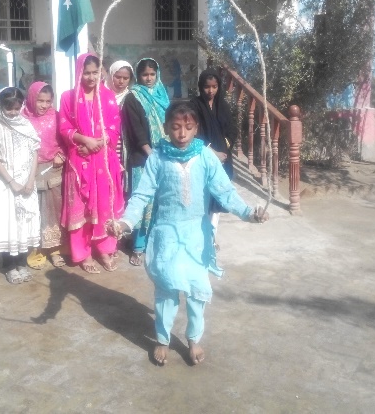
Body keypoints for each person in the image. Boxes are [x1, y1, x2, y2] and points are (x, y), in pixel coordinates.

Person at [108, 102, 268, 366]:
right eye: (176, 127)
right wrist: (124, 222)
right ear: (167, 128)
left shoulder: (205, 156)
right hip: (166, 233)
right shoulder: (158, 157)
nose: (182, 133)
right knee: (167, 287)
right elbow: (142, 194)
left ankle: (193, 339)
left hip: (196, 233)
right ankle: (162, 339)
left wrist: (250, 213)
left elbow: (225, 192)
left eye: (188, 127)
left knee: (197, 288)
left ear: (196, 129)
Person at [59, 53, 124, 274]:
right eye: (86, 72)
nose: (90, 77)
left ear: (101, 72)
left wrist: (99, 143)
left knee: (104, 205)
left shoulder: (107, 96)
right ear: (79, 72)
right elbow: (64, 127)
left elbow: (115, 126)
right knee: (82, 208)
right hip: (80, 160)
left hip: (104, 160)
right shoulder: (68, 97)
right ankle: (83, 253)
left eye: (95, 72)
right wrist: (84, 140)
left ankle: (104, 249)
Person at [0, 87, 41, 284]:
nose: (14, 113)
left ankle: (21, 262)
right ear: (1, 107)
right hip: (6, 184)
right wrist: (12, 182)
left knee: (24, 222)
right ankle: (9, 265)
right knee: (7, 222)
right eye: (10, 109)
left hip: (27, 183)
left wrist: (31, 179)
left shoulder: (26, 124)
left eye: (17, 108)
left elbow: (35, 153)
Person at [121, 58, 170, 266]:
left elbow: (170, 124)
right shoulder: (133, 97)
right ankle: (139, 247)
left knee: (161, 201)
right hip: (143, 158)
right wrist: (151, 153)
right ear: (138, 77)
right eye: (144, 75)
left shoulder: (162, 94)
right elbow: (136, 131)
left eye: (152, 74)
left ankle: (156, 244)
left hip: (164, 154)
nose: (149, 78)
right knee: (143, 201)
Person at [21, 81, 68, 268]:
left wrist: (61, 154)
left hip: (54, 169)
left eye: (48, 101)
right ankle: (36, 249)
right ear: (31, 98)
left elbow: (66, 139)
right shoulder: (22, 119)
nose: (44, 105)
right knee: (34, 211)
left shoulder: (56, 117)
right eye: (40, 100)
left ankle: (56, 250)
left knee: (54, 210)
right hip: (30, 171)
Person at [191, 69, 237, 239]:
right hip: (203, 156)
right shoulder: (194, 105)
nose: (211, 91)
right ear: (200, 87)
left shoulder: (222, 105)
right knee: (203, 197)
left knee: (217, 199)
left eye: (214, 87)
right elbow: (194, 132)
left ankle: (212, 237)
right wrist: (212, 152)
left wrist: (224, 147)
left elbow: (232, 129)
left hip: (223, 158)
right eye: (207, 87)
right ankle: (200, 235)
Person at [107, 60, 135, 193]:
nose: (121, 81)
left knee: (121, 176)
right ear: (111, 75)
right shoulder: (101, 95)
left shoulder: (131, 97)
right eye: (118, 77)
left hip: (123, 143)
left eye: (126, 78)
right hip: (104, 142)